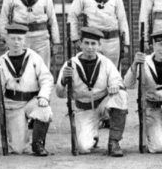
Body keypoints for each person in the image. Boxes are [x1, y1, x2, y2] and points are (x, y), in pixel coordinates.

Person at [55, 27, 128, 156]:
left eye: (93, 43)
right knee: (83, 147)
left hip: (103, 105)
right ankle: (93, 135)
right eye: (86, 43)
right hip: (84, 108)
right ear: (80, 44)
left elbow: (117, 81)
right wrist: (63, 81)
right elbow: (60, 94)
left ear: (99, 46)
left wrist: (114, 86)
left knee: (121, 95)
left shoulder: (106, 63)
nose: (90, 47)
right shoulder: (70, 64)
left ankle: (114, 142)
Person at [0, 23, 55, 156]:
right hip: (13, 105)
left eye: (19, 39)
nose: (16, 42)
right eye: (12, 39)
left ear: (24, 41)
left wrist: (43, 97)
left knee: (44, 110)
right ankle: (24, 131)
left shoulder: (34, 57)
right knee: (18, 149)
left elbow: (47, 79)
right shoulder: (0, 61)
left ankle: (38, 144)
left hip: (32, 100)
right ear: (6, 40)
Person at [67, 0, 130, 67]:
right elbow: (72, 16)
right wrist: (75, 38)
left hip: (113, 41)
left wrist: (126, 43)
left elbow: (122, 19)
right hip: (93, 40)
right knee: (94, 70)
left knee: (113, 71)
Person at [0, 0, 60, 66]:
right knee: (22, 69)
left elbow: (52, 20)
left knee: (43, 69)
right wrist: (5, 39)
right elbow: (3, 19)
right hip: (21, 38)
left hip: (41, 39)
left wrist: (56, 41)